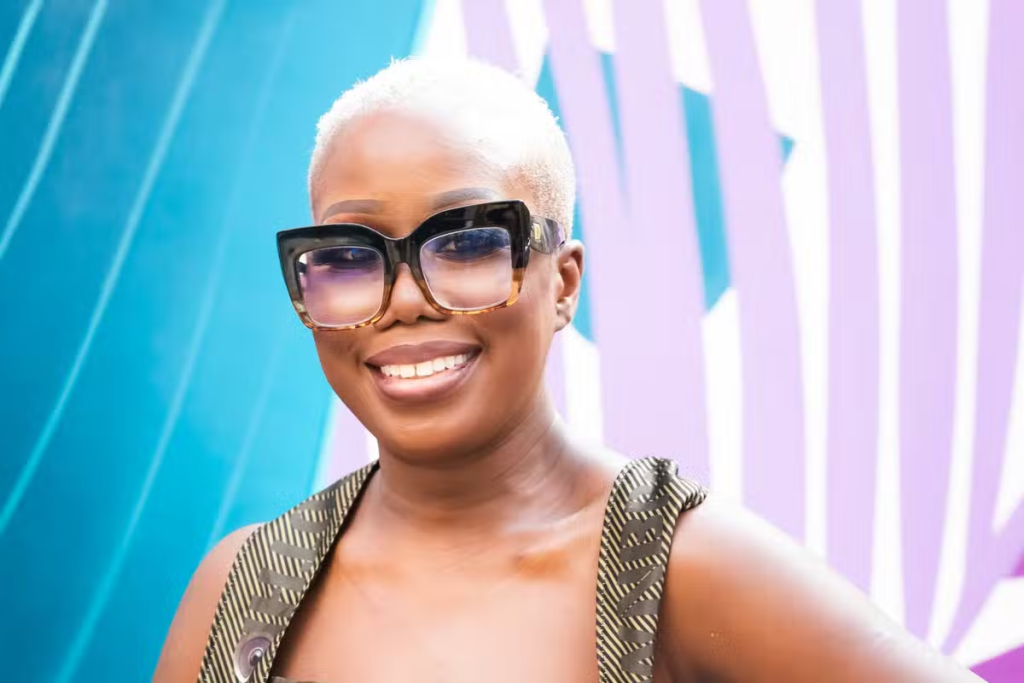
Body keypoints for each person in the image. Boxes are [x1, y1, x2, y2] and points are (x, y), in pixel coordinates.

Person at [154, 57, 979, 683]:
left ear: (563, 283)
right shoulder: (244, 588)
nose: (404, 300)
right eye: (349, 254)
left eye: (467, 243)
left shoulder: (677, 569)